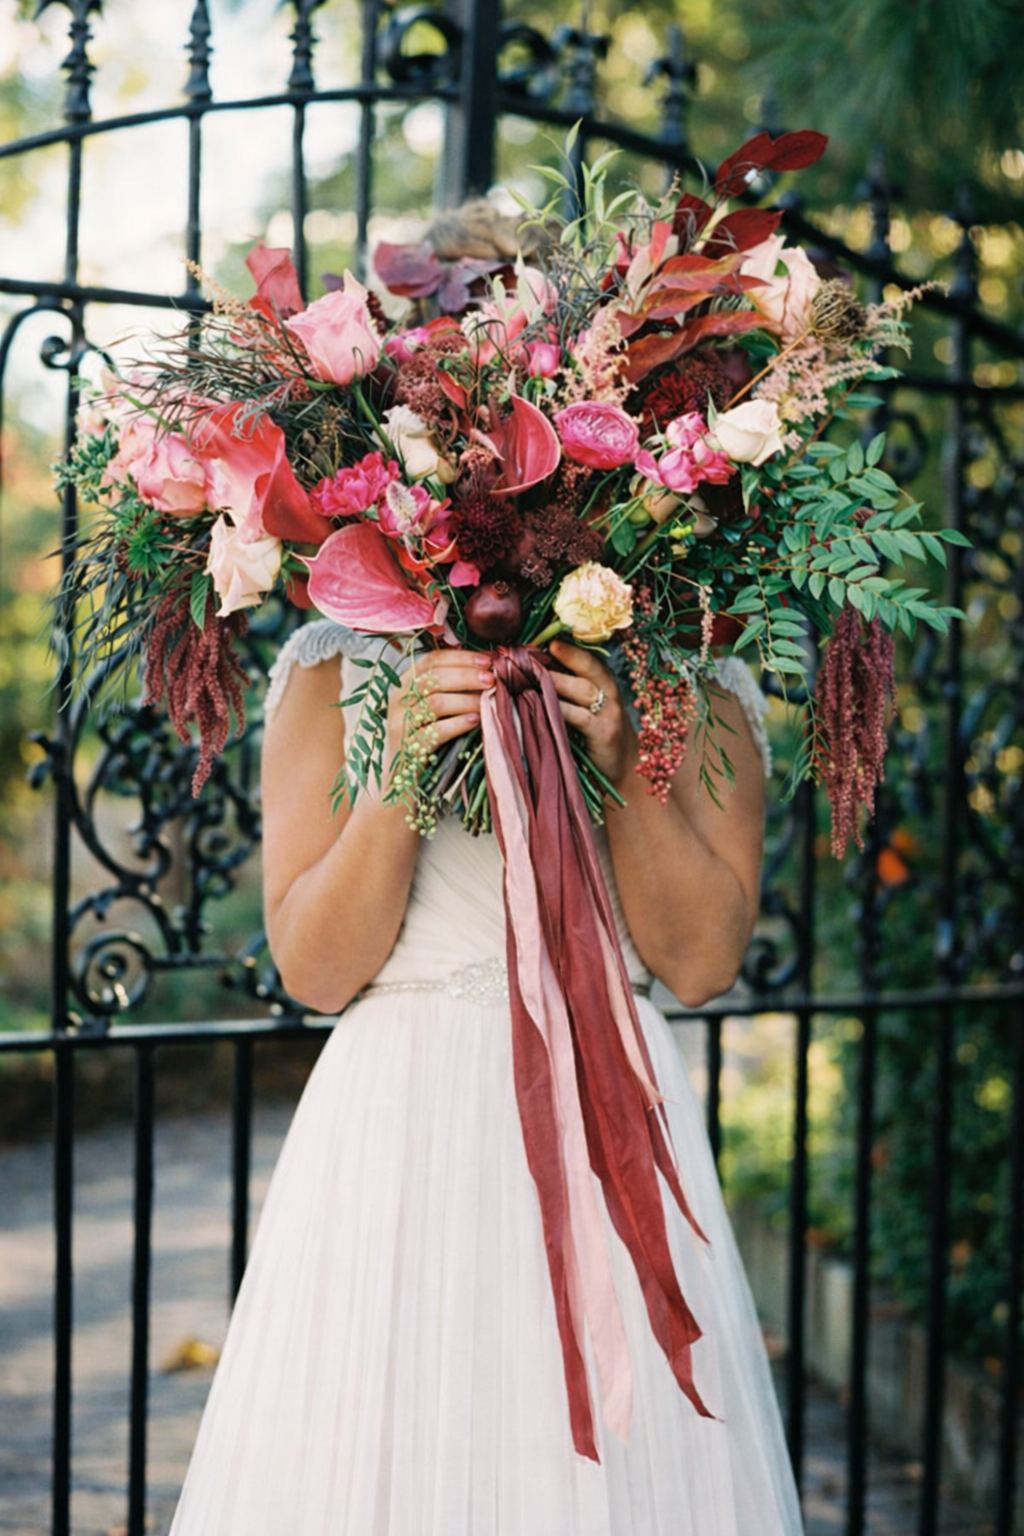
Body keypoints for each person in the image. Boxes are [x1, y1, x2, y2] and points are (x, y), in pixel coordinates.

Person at [165, 202, 805, 1535]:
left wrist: (618, 743)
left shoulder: (692, 672)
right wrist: (403, 762)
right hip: (396, 1139)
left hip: (611, 1111)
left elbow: (697, 961)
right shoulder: (337, 666)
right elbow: (317, 967)